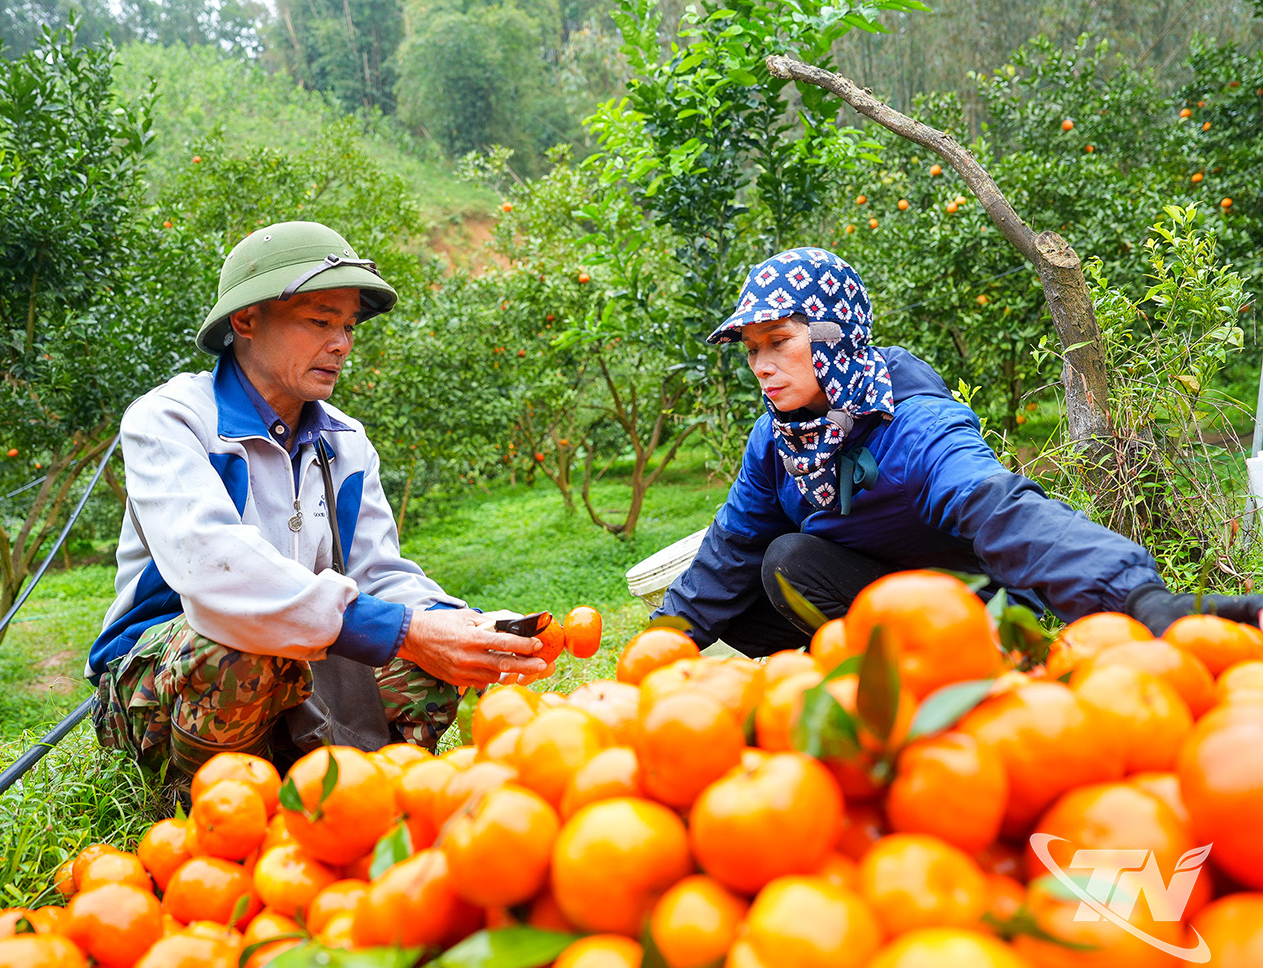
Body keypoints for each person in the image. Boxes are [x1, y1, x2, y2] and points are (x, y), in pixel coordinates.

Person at [88, 221, 544, 777]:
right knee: (240, 641)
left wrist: (460, 624)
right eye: (320, 321)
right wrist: (404, 631)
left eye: (349, 326)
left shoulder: (345, 442)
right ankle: (209, 800)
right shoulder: (173, 420)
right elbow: (219, 577)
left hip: (298, 663)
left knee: (432, 653)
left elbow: (380, 572)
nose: (341, 344)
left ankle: (352, 790)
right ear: (246, 320)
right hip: (168, 680)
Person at [659, 246, 1263, 656]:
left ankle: (961, 675)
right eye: (751, 350)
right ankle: (850, 684)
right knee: (743, 589)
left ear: (832, 337)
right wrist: (658, 649)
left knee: (788, 559)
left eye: (780, 342)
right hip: (871, 598)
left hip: (970, 608)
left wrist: (1139, 598)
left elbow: (999, 507)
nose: (762, 366)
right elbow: (729, 548)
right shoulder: (777, 440)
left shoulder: (914, 424)